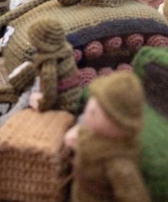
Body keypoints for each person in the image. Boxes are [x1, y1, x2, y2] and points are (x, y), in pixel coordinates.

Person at [64, 71, 150, 202]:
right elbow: (87, 138)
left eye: (93, 112)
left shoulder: (119, 162)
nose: (87, 113)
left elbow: (133, 195)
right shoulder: (97, 137)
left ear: (120, 123)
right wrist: (78, 137)